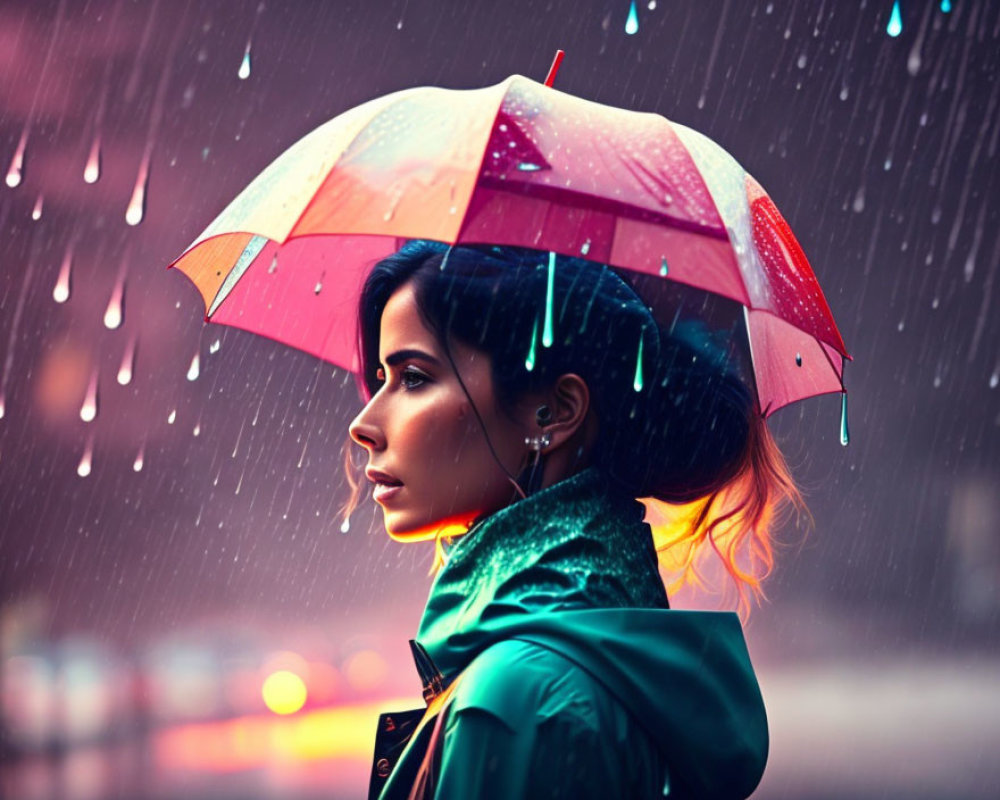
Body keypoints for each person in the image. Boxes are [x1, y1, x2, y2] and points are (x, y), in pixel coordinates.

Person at [344, 239, 806, 800]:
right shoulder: (594, 657)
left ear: (554, 413)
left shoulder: (520, 699)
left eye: (414, 377)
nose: (364, 423)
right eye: (381, 377)